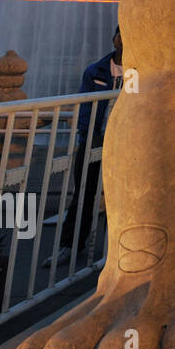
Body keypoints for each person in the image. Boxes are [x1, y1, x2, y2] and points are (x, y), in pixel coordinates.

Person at [46, 27, 122, 268]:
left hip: (126, 142)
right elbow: (84, 107)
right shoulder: (96, 71)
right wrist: (86, 135)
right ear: (114, 39)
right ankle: (70, 245)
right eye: (121, 35)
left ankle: (118, 249)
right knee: (83, 194)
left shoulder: (141, 72)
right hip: (94, 139)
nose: (125, 40)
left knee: (123, 198)